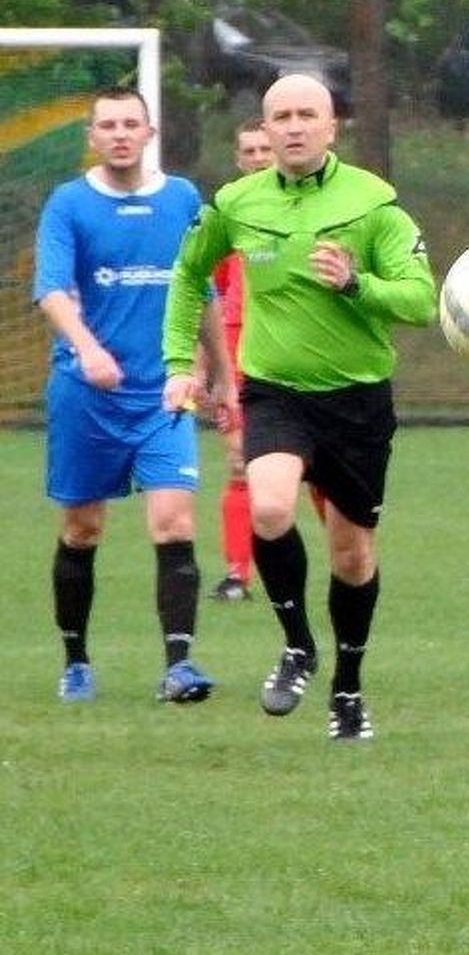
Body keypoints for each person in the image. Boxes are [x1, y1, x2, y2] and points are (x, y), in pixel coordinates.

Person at [160, 74, 436, 742]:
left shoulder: (373, 204)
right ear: (265, 126)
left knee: (351, 558)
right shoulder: (235, 202)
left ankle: (347, 686)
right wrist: (177, 367)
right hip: (276, 391)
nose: (291, 127)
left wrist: (356, 284)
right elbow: (189, 274)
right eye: (279, 115)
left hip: (357, 401)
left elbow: (421, 300)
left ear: (331, 125)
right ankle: (297, 647)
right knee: (269, 505)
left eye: (305, 114)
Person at [34, 87, 221, 706]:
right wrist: (88, 349)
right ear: (91, 137)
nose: (119, 134)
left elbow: (202, 293)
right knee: (83, 528)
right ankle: (77, 660)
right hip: (86, 394)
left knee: (174, 521)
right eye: (107, 125)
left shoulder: (182, 200)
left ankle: (180, 666)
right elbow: (53, 291)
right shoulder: (69, 205)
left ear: (150, 132)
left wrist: (221, 374)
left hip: (164, 393)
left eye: (130, 124)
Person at [200, 118, 276, 603]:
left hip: (293, 356)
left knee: (315, 471)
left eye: (264, 148)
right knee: (239, 463)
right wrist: (203, 367)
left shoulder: (304, 211)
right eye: (248, 149)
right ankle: (237, 574)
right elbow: (211, 293)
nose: (257, 157)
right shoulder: (226, 216)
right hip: (238, 353)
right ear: (238, 157)